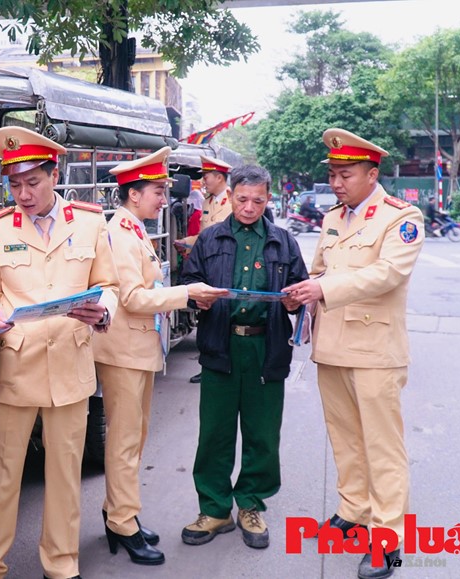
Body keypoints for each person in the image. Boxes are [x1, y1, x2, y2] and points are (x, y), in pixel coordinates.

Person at [0, 126, 119, 579]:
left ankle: (62, 564)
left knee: (66, 479)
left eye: (32, 182)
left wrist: (103, 311)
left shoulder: (91, 223)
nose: (23, 193)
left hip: (70, 368)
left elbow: (110, 286)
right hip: (15, 365)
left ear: (55, 174)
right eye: (14, 184)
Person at [284, 128, 424, 579]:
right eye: (333, 174)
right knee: (344, 438)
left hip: (375, 350)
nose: (337, 182)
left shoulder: (401, 218)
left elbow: (386, 274)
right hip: (333, 347)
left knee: (382, 446)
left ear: (372, 173)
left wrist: (321, 287)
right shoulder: (333, 219)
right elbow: (321, 270)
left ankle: (387, 537)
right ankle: (354, 510)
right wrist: (301, 293)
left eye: (345, 174)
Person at [92, 148, 226, 567]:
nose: (163, 200)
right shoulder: (120, 232)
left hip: (137, 349)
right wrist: (188, 293)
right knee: (125, 440)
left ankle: (122, 512)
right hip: (123, 351)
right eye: (156, 191)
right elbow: (131, 298)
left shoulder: (134, 230)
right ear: (134, 195)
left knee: (133, 439)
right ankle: (122, 521)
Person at [180, 164, 308, 551]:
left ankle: (251, 504)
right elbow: (188, 282)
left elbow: (299, 291)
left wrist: (293, 299)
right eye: (242, 199)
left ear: (268, 199)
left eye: (258, 200)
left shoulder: (283, 242)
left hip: (265, 348)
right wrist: (196, 293)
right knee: (215, 433)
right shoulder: (210, 239)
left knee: (262, 434)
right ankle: (215, 509)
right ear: (231, 196)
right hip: (222, 343)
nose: (249, 207)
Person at [175, 155, 234, 383]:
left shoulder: (230, 202)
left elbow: (219, 237)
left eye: (207, 176)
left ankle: (223, 363)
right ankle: (208, 363)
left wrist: (191, 242)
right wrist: (187, 242)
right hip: (208, 266)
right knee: (207, 315)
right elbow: (205, 236)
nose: (204, 181)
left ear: (219, 177)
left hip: (223, 265)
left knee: (223, 315)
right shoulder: (209, 201)